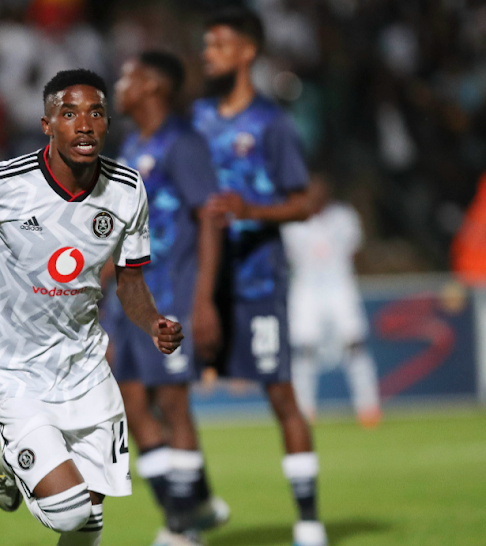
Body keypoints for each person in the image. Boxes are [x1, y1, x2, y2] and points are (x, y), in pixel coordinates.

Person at [0, 69, 184, 546]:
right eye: (69, 113)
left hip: (84, 366)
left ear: (107, 123)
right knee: (67, 512)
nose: (84, 124)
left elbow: (130, 282)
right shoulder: (2, 183)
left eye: (95, 113)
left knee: (90, 524)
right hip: (15, 367)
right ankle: (7, 449)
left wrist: (154, 322)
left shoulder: (127, 191)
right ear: (47, 124)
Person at [193, 9, 328, 546]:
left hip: (256, 281)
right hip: (197, 281)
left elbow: (303, 203)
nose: (208, 54)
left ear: (247, 52)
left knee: (280, 395)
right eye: (206, 45)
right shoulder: (196, 119)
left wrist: (250, 209)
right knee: (164, 394)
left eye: (219, 45)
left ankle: (310, 520)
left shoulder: (271, 124)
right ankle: (190, 512)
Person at [110, 51, 228, 546]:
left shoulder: (184, 144)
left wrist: (203, 301)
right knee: (131, 405)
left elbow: (211, 218)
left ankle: (183, 528)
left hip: (170, 294)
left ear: (153, 86)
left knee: (174, 404)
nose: (119, 85)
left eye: (127, 76)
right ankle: (192, 507)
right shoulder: (128, 147)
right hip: (124, 300)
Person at [282, 176, 382, 428]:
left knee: (355, 345)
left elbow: (356, 250)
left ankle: (368, 407)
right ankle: (304, 409)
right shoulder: (292, 220)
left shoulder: (344, 217)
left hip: (340, 287)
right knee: (304, 350)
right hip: (307, 289)